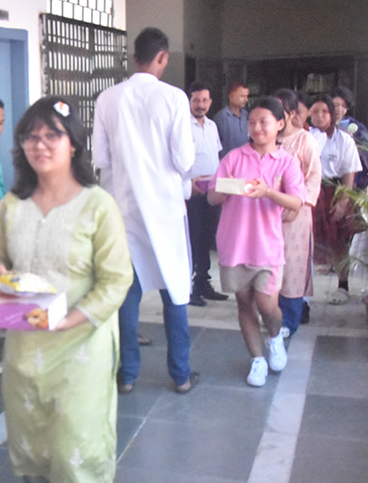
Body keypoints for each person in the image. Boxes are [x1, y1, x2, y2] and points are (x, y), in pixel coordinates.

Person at [0, 96, 133, 483]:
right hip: (25, 350)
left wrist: (70, 319)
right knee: (33, 452)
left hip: (81, 350)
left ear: (73, 143)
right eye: (30, 137)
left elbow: (117, 280)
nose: (40, 145)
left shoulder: (98, 205)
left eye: (52, 135)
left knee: (78, 454)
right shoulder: (14, 203)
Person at [93, 27, 199, 395]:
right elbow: (184, 160)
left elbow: (101, 159)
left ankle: (127, 375)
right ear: (162, 57)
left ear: (134, 57)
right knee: (175, 290)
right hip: (166, 211)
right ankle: (181, 374)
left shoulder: (107, 99)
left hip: (123, 209)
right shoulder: (173, 98)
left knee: (128, 293)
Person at [208, 96, 305, 387]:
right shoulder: (233, 158)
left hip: (268, 247)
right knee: (244, 303)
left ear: (280, 124)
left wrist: (268, 192)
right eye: (252, 122)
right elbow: (212, 196)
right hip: (234, 244)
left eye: (264, 122)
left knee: (266, 304)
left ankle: (275, 337)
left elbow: (296, 202)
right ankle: (257, 359)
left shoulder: (286, 162)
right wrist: (228, 188)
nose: (257, 128)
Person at [272, 89, 322, 338]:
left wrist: (298, 205)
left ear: (292, 113)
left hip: (296, 215)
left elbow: (313, 178)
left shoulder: (305, 140)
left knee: (293, 265)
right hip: (269, 213)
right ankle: (271, 313)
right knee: (270, 263)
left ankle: (289, 320)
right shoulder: (269, 138)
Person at [310, 93, 362, 305]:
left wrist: (343, 202)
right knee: (306, 240)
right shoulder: (307, 137)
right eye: (315, 111)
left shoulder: (344, 140)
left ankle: (343, 286)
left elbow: (349, 174)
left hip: (334, 191)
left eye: (325, 111)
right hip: (310, 190)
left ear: (332, 114)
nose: (320, 116)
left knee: (338, 242)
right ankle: (302, 289)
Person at [185, 81, 227, 306]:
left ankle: (203, 281)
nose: (200, 105)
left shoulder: (212, 126)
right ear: (189, 101)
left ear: (210, 102)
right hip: (191, 193)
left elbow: (216, 156)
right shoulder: (183, 126)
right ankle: (189, 288)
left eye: (204, 100)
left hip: (212, 192)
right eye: (196, 100)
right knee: (193, 238)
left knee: (207, 238)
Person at [333, 85, 368, 189]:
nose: (339, 109)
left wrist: (352, 143)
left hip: (353, 181)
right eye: (335, 105)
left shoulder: (357, 127)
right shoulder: (320, 127)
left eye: (343, 106)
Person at [214, 82, 250, 158]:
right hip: (228, 161)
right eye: (242, 96)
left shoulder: (247, 116)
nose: (246, 99)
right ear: (231, 96)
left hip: (246, 161)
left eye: (247, 96)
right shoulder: (221, 117)